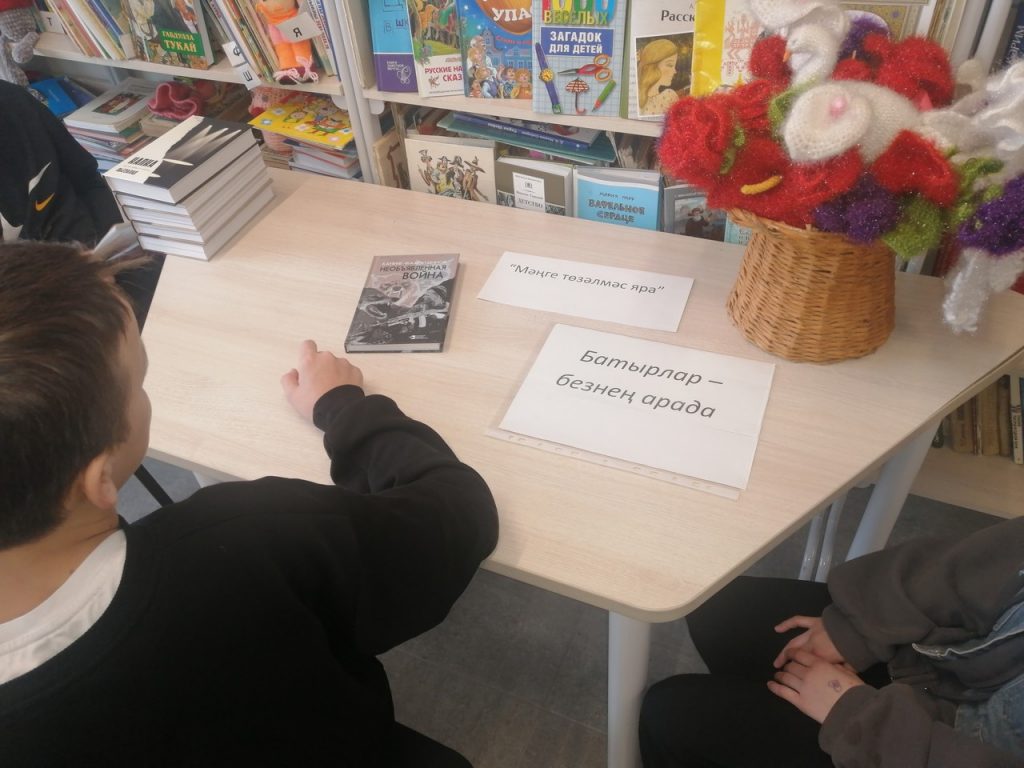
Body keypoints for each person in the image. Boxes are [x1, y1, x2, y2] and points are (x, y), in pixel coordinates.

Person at [0, 241, 499, 766]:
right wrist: (343, 408)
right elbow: (459, 514)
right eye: (139, 382)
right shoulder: (241, 541)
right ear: (99, 477)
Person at [639, 517, 1024, 767]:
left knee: (668, 714)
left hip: (926, 747)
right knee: (718, 610)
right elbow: (977, 565)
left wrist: (859, 717)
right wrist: (857, 630)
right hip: (938, 661)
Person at [0, 80, 123, 245]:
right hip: (36, 258)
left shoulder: (10, 99)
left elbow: (87, 179)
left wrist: (112, 241)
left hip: (84, 239)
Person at [638, 38, 681, 117]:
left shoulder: (669, 96)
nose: (675, 71)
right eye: (670, 65)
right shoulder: (668, 97)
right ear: (653, 66)